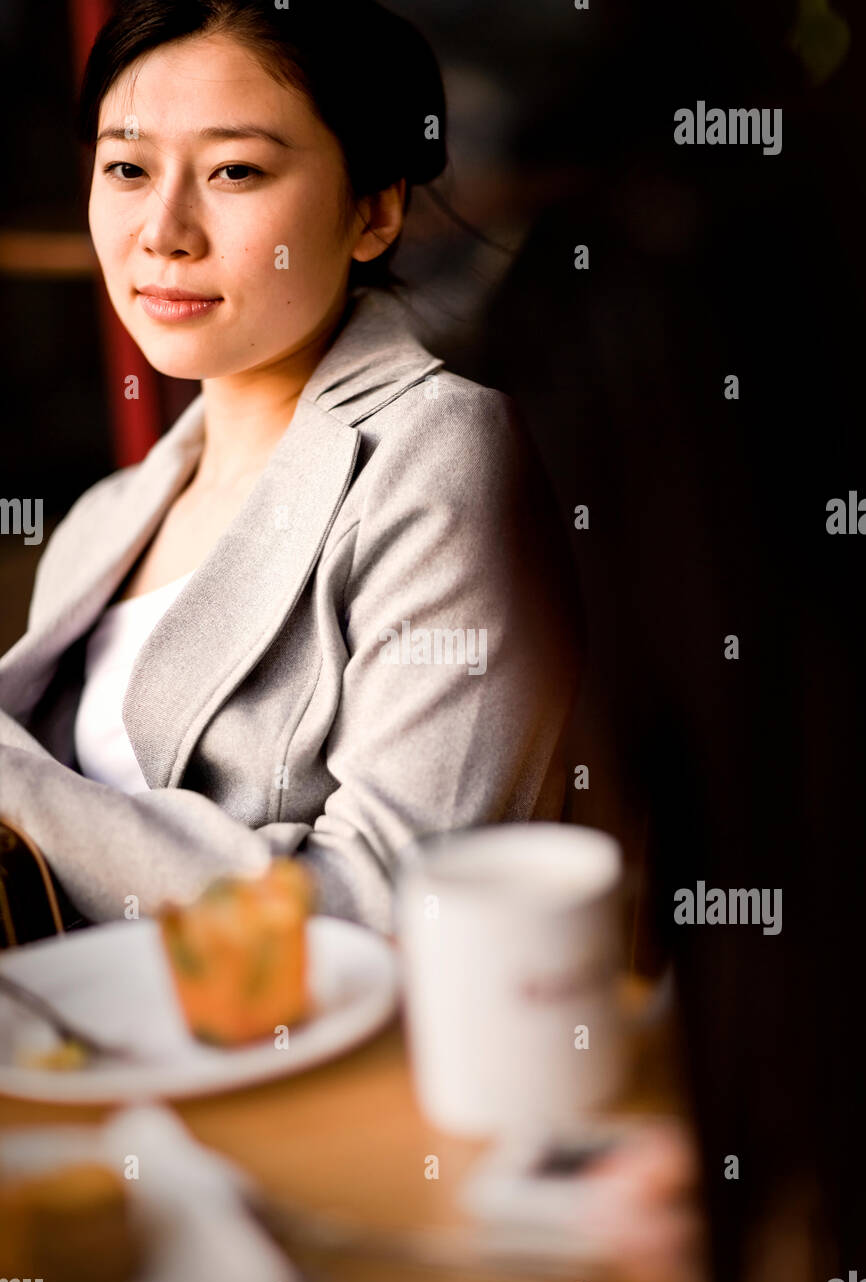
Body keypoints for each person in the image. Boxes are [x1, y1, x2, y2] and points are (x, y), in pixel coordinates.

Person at [0, 0, 577, 936]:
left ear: (374, 210)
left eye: (235, 170)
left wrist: (19, 784)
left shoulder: (442, 455)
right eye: (127, 168)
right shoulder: (101, 523)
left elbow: (391, 905)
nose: (165, 231)